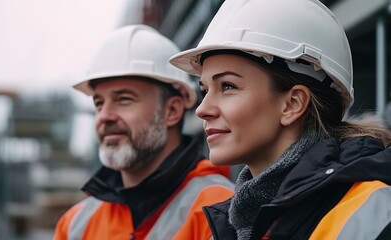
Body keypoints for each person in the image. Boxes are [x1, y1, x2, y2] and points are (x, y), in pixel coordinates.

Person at [169, 0, 391, 239]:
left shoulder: (373, 217)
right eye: (204, 90)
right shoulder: (231, 226)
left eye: (228, 86)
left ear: (292, 104)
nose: (203, 109)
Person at [53, 24, 234, 240]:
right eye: (99, 103)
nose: (104, 116)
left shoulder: (224, 212)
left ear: (172, 111)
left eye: (124, 100)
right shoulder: (75, 224)